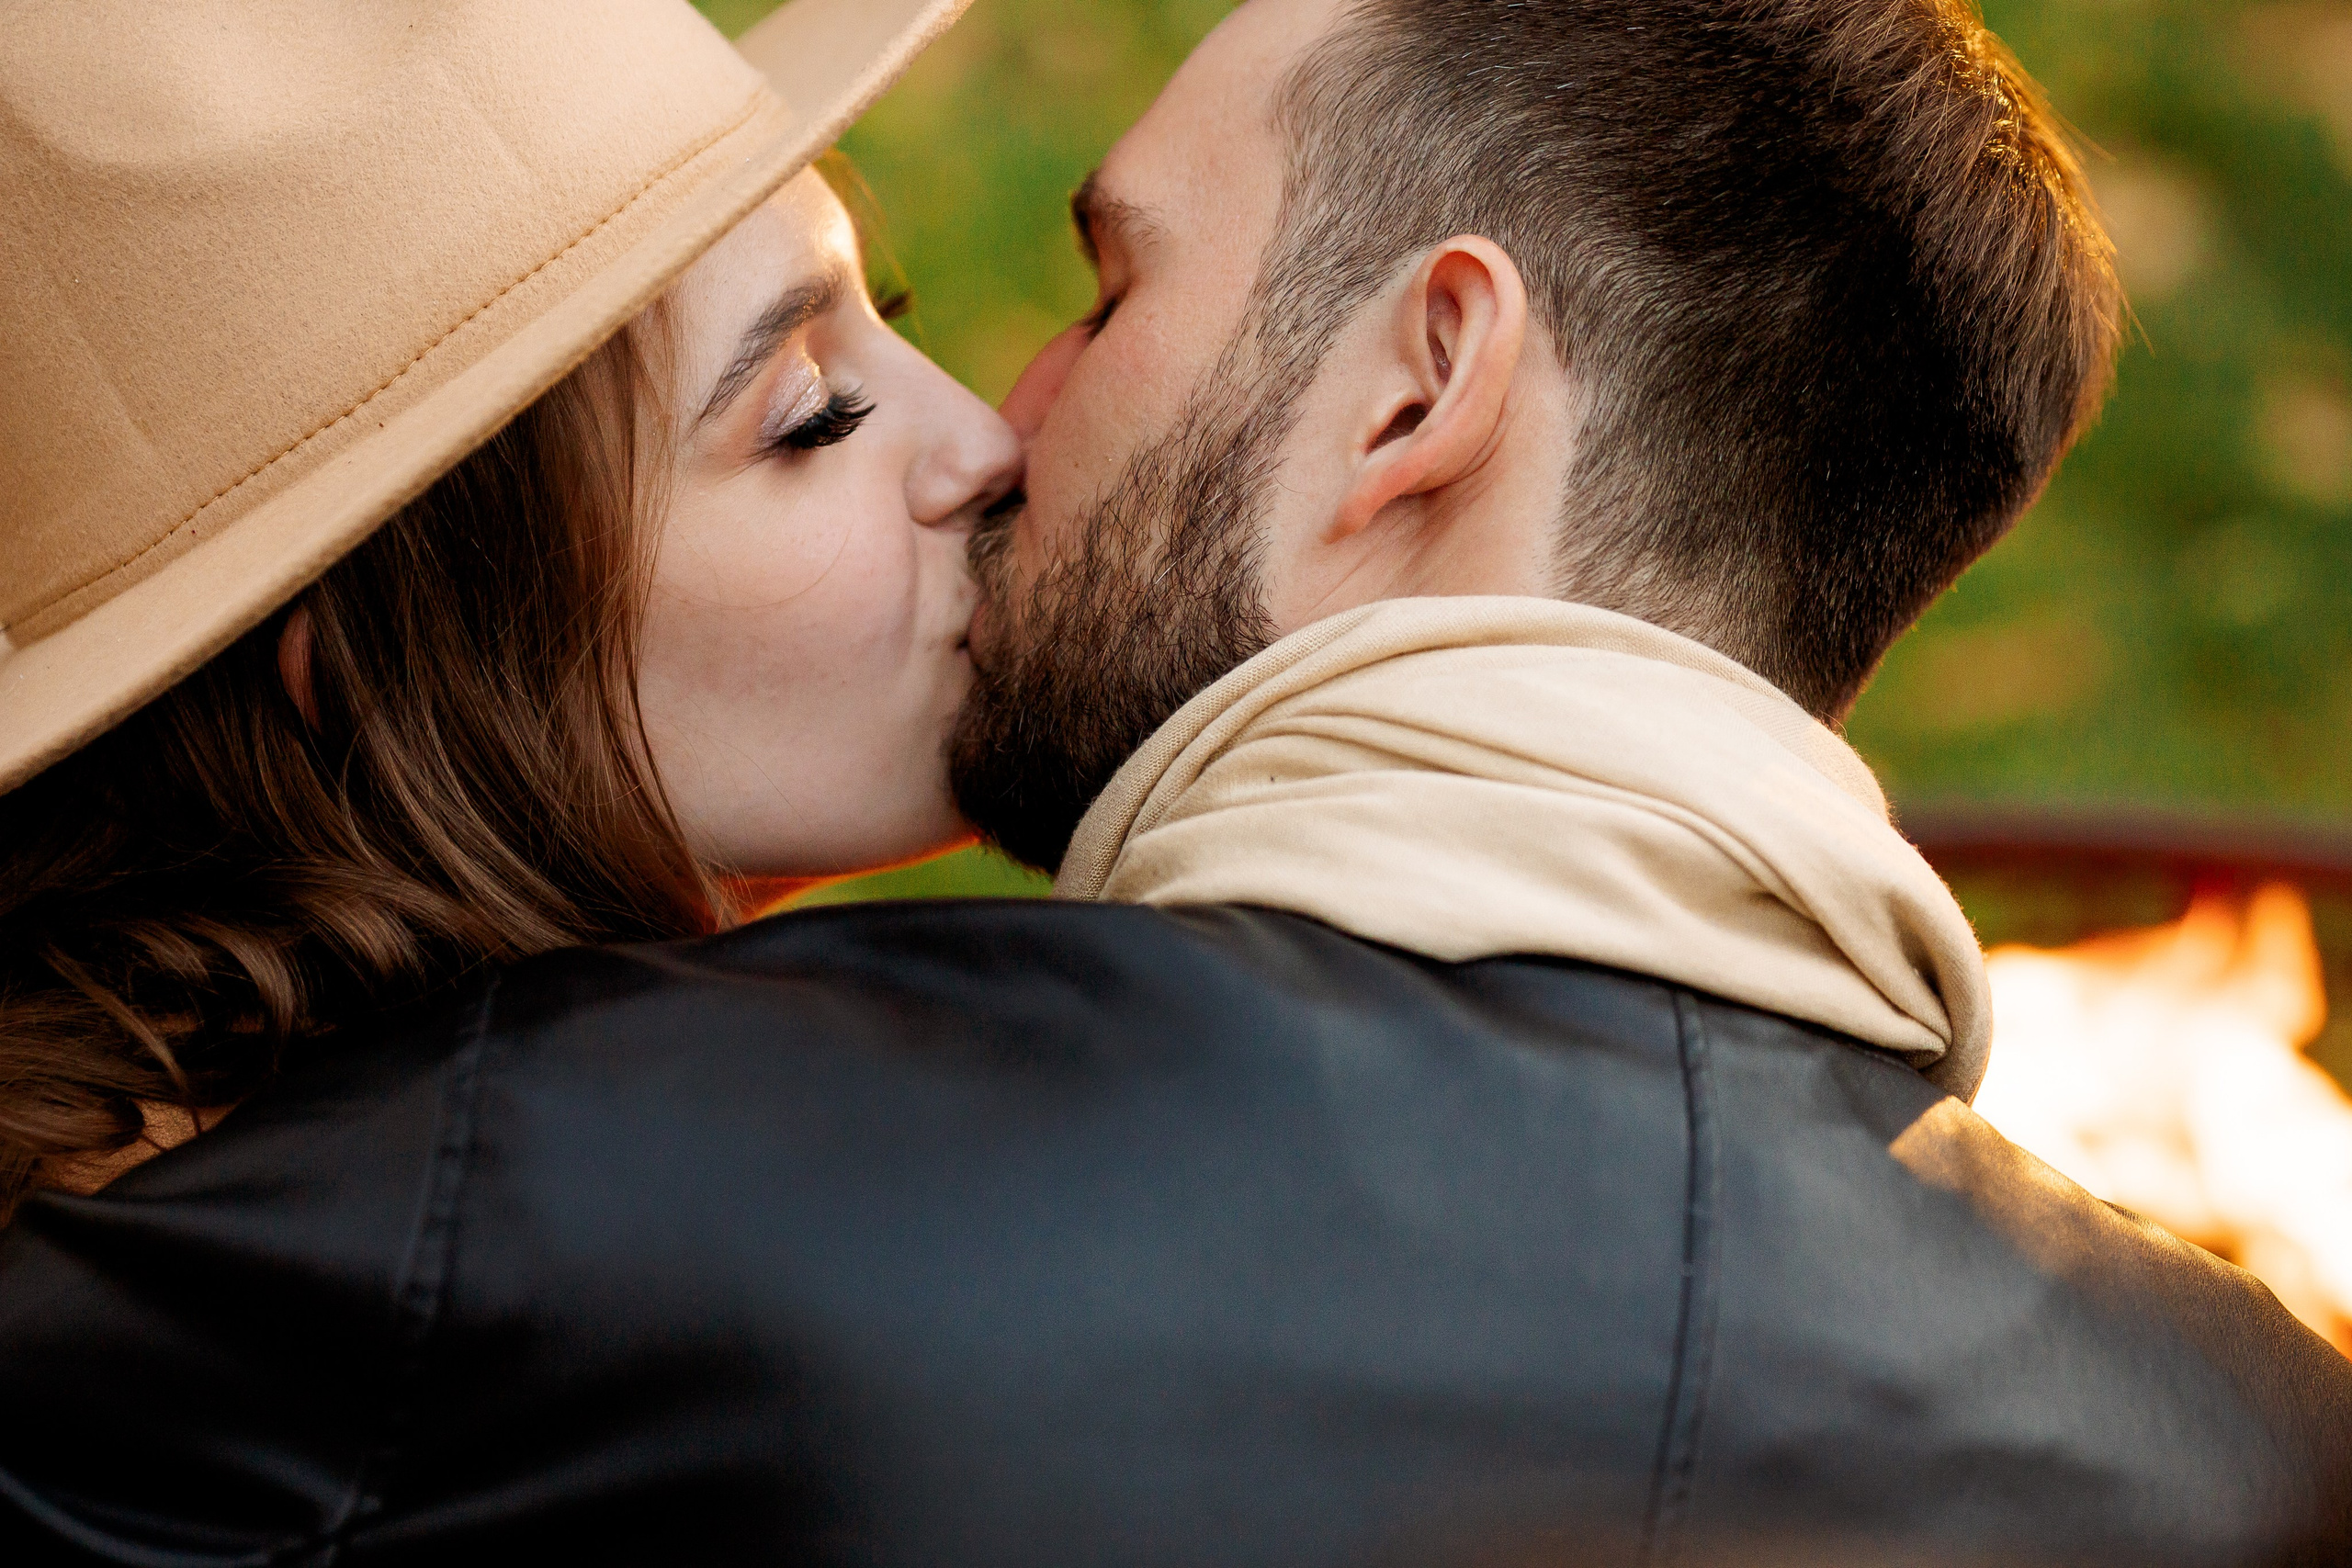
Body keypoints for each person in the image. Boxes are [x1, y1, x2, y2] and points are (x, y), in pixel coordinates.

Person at [3, 3, 2346, 1568]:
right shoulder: (2249, 1436)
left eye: (1100, 294)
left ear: (1423, 387)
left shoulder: (555, 1184)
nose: (994, 438)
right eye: (813, 404)